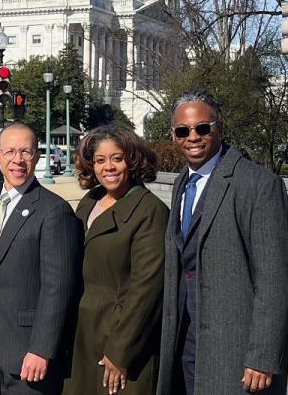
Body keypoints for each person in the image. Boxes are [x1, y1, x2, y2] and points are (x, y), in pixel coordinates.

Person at [157, 91, 288, 395]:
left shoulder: (258, 185)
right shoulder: (182, 181)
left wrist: (262, 357)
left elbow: (274, 280)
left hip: (236, 349)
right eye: (183, 131)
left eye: (202, 128)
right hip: (187, 340)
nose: (193, 137)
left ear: (220, 127)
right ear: (173, 135)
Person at [64, 124, 168, 395]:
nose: (108, 167)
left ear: (132, 161)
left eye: (117, 158)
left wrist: (121, 351)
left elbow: (146, 290)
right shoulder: (89, 201)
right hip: (81, 337)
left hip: (120, 341)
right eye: (100, 160)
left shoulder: (150, 211)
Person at [0, 122, 83, 395]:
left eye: (26, 152)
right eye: (10, 152)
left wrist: (41, 348)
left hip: (28, 353)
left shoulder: (54, 211)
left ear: (37, 156)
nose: (18, 160)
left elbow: (59, 288)